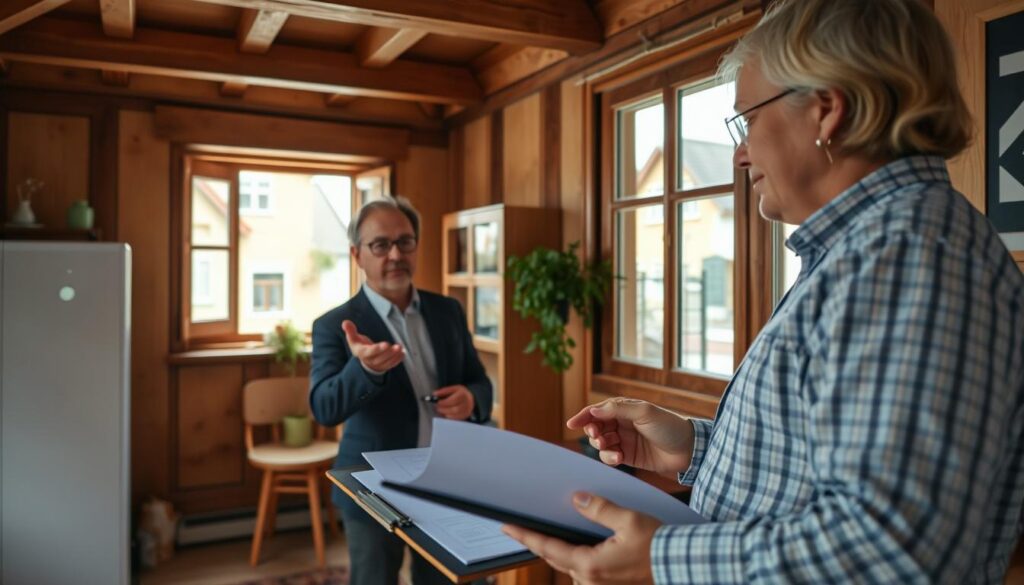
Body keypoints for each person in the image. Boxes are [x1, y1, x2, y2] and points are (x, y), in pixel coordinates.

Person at [501, 0, 1024, 583]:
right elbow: (822, 470)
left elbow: (891, 548)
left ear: (827, 111)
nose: (740, 153)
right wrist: (695, 452)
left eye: (747, 120)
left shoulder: (905, 257)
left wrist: (661, 559)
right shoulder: (871, 250)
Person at [309, 195, 493, 585]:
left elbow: (480, 381)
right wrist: (364, 369)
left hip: (446, 480)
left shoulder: (448, 310)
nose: (395, 254)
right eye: (380, 244)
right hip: (373, 487)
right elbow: (324, 408)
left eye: (405, 242)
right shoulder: (334, 325)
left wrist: (472, 398)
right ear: (358, 255)